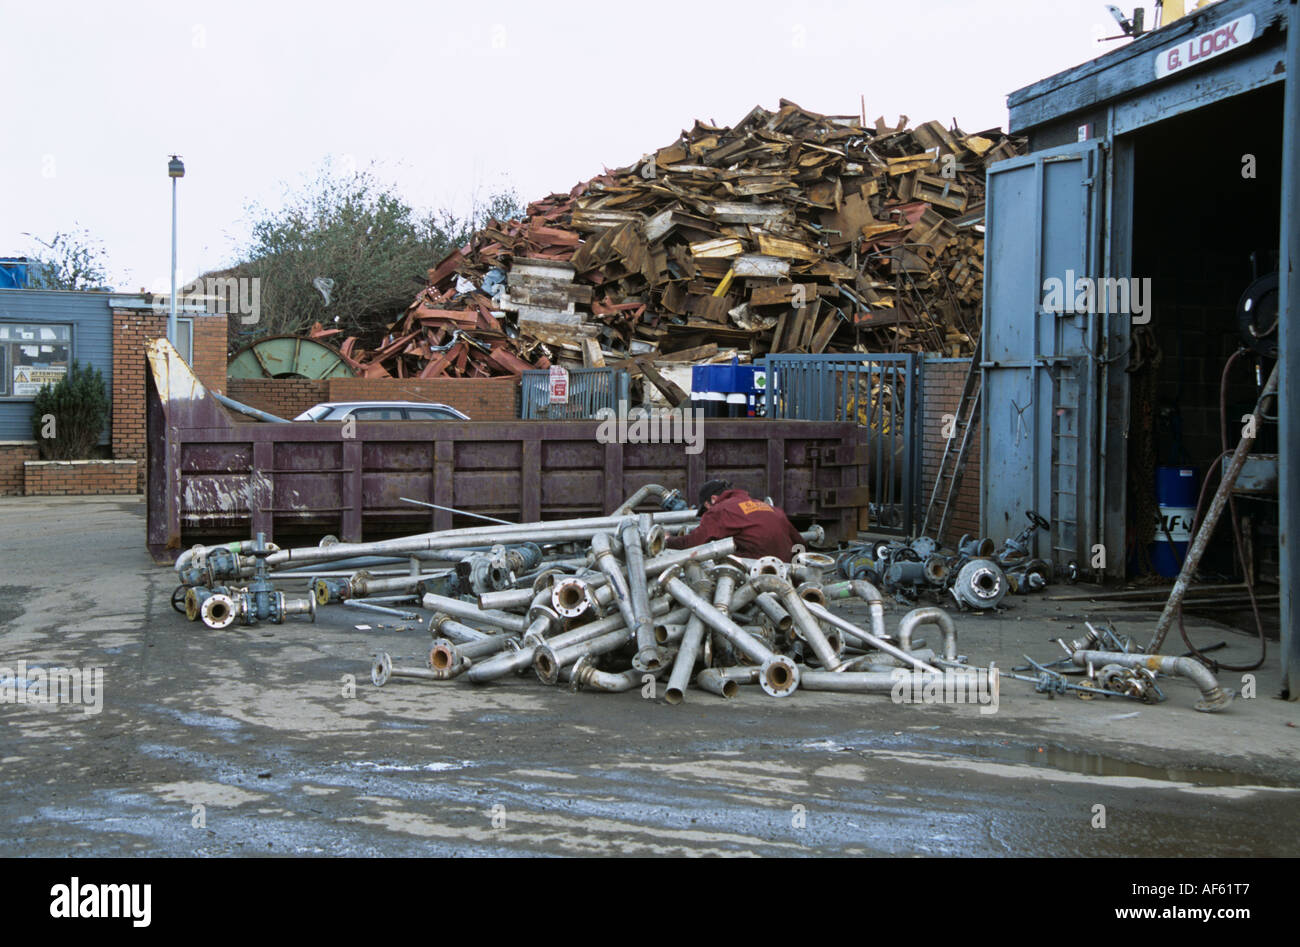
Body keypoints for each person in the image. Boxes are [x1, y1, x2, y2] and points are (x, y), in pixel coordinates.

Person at [664, 479, 804, 560]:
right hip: (787, 570)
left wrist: (668, 541)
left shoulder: (720, 510)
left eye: (706, 508)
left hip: (759, 570)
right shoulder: (767, 507)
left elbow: (693, 543)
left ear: (712, 500)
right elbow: (799, 543)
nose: (707, 513)